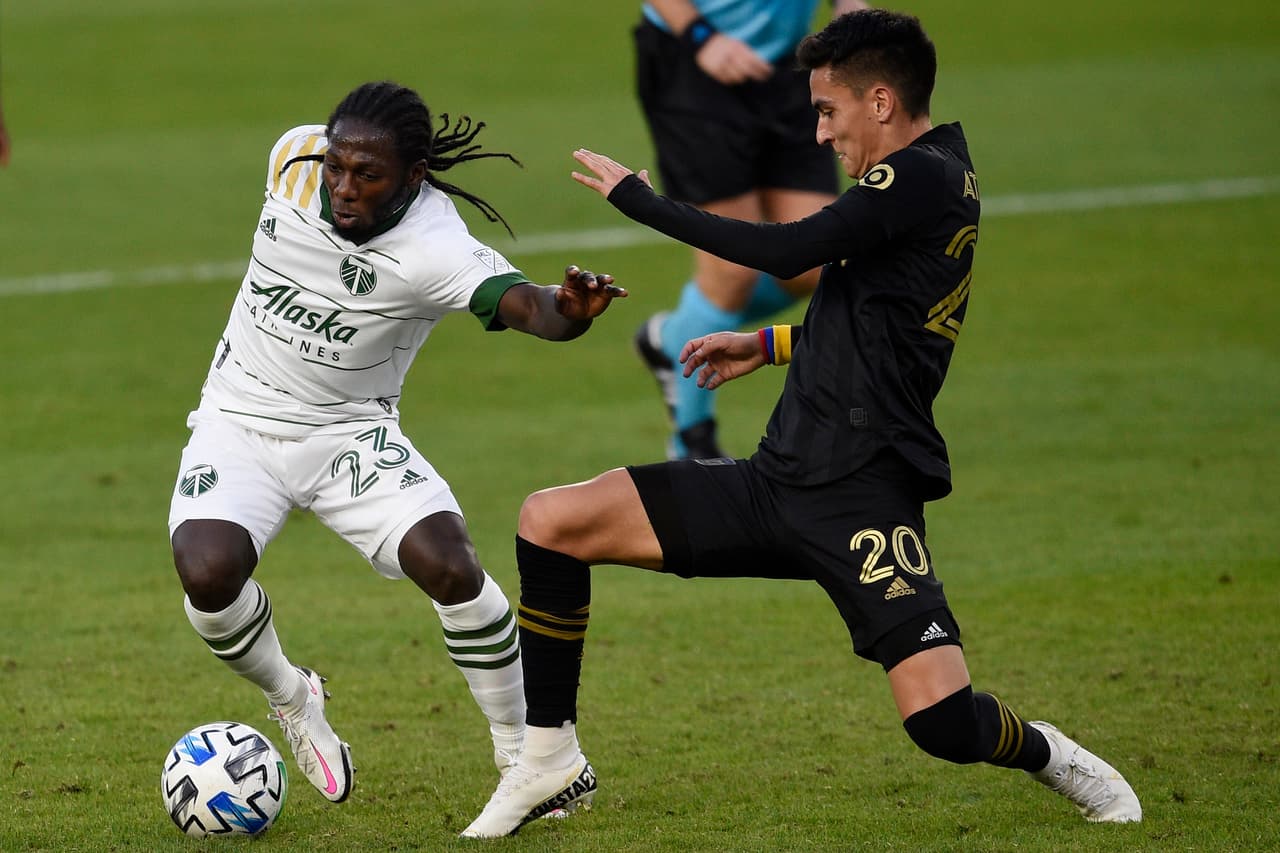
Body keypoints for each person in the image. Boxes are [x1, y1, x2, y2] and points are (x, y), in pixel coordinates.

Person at [461, 10, 1142, 838]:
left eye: (828, 111)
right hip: (773, 481)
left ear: (882, 101)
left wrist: (637, 199)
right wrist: (770, 342)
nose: (819, 133)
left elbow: (789, 252)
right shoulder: (920, 180)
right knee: (551, 520)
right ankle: (549, 760)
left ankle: (1050, 753)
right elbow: (881, 315)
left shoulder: (920, 178)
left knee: (942, 723)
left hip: (863, 500)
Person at [168, 81, 626, 806]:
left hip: (349, 432)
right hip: (239, 416)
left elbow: (529, 307)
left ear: (412, 177)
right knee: (206, 570)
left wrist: (571, 310)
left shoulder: (434, 248)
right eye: (337, 167)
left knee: (449, 564)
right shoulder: (292, 159)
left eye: (367, 175)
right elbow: (316, 168)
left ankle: (525, 752)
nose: (343, 187)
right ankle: (293, 696)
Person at [630, 0, 867, 459]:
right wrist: (701, 36)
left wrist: (851, 14)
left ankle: (673, 338)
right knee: (732, 273)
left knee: (818, 263)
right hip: (695, 62)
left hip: (793, 65)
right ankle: (692, 445)